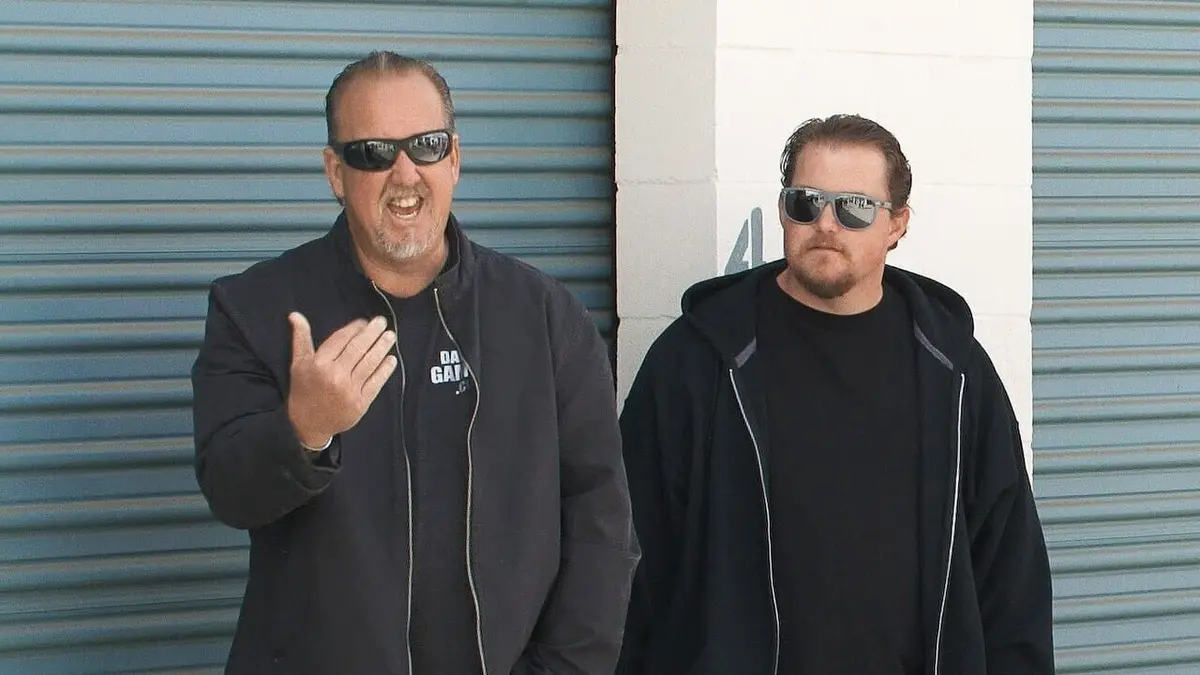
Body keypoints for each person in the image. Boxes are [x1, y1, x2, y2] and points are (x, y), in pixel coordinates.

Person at [191, 51, 639, 675]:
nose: (404, 173)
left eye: (426, 146)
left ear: (454, 158)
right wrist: (303, 430)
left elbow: (601, 525)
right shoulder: (257, 309)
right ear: (335, 172)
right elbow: (230, 492)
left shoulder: (542, 315)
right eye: (373, 152)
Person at [616, 114, 1054, 675]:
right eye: (805, 202)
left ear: (897, 224)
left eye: (854, 207)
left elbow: (1010, 575)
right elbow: (628, 559)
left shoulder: (956, 371)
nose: (826, 223)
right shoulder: (699, 362)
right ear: (783, 212)